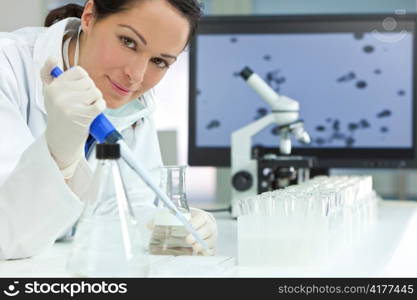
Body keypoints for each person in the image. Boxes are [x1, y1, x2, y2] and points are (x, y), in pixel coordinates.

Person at [0, 0, 217, 260]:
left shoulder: (134, 105)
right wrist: (58, 153)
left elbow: (128, 210)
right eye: (128, 42)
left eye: (159, 61)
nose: (136, 76)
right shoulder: (8, 68)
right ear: (90, 17)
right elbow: (7, 235)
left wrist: (172, 226)